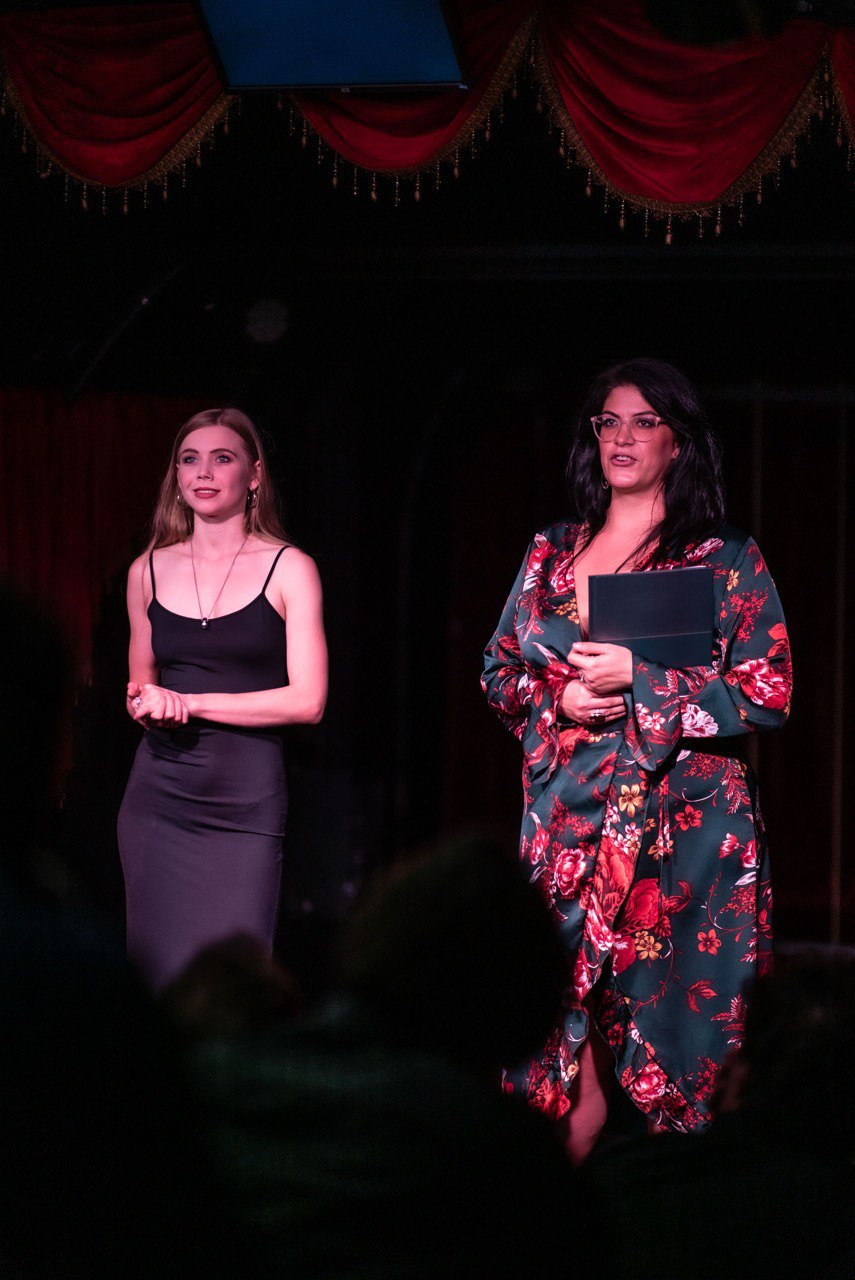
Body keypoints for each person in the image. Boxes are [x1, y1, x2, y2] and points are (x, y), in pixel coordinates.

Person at [481, 358, 792, 1161]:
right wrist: (559, 702)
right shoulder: (551, 549)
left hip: (681, 835)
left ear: (677, 442)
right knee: (549, 1041)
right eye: (608, 422)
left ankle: (686, 1215)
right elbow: (499, 672)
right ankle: (541, 1218)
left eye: (644, 422)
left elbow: (767, 692)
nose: (622, 437)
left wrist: (641, 680)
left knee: (686, 1045)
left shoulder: (721, 556)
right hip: (566, 827)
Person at [117, 408, 327, 990]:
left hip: (244, 806)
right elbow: (140, 690)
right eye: (190, 459)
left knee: (235, 989)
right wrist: (149, 705)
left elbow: (308, 701)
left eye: (222, 458)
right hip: (159, 803)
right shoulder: (146, 571)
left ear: (254, 475)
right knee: (156, 988)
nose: (203, 473)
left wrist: (193, 703)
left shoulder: (290, 569)